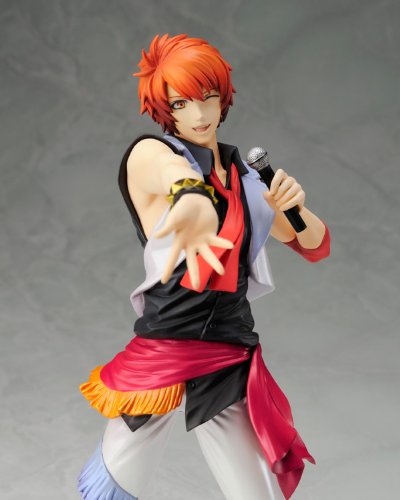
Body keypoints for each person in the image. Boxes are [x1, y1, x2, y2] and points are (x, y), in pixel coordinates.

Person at [77, 33, 330, 500]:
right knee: (110, 489)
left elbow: (313, 246)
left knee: (257, 494)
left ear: (222, 99)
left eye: (208, 97)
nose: (198, 114)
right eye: (181, 103)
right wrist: (192, 201)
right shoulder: (150, 154)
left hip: (228, 352)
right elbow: (173, 175)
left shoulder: (244, 178)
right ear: (165, 109)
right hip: (166, 347)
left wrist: (295, 205)